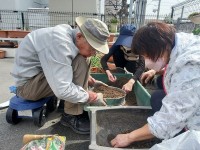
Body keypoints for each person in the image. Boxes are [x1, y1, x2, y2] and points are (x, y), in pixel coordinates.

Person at [11, 16, 109, 135]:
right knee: (81, 60)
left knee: (83, 58)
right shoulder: (59, 43)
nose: (94, 53)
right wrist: (90, 96)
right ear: (79, 36)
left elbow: (64, 66)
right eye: (93, 48)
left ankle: (68, 104)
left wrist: (89, 80)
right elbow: (62, 89)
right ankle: (71, 114)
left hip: (38, 78)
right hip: (27, 87)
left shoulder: (68, 35)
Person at [111, 22, 200, 148]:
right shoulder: (178, 43)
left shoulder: (191, 65)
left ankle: (179, 136)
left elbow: (170, 119)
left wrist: (129, 137)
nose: (145, 62)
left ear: (157, 48)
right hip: (193, 100)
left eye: (146, 56)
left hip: (196, 128)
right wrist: (156, 70)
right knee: (158, 98)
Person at [101, 24, 145, 93]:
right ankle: (121, 72)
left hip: (132, 63)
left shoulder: (139, 45)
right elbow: (103, 59)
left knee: (135, 77)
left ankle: (135, 80)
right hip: (121, 61)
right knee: (117, 52)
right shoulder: (117, 45)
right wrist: (108, 71)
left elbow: (142, 66)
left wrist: (131, 81)